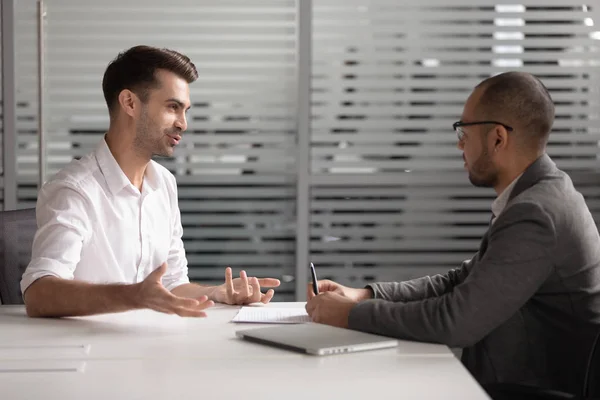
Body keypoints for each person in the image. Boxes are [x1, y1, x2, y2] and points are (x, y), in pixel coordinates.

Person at [305, 71, 600, 392]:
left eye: (464, 132)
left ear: (498, 138)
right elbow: (461, 282)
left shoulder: (536, 212)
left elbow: (455, 321)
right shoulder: (539, 194)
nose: (460, 145)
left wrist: (351, 315)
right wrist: (365, 295)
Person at [21, 45, 280, 318]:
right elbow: (39, 294)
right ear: (130, 103)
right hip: (92, 351)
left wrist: (217, 293)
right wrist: (134, 295)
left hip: (151, 348)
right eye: (173, 107)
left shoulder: (164, 183)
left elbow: (171, 284)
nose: (183, 123)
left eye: (185, 111)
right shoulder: (75, 191)